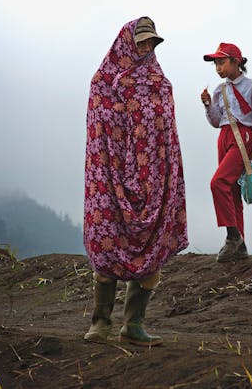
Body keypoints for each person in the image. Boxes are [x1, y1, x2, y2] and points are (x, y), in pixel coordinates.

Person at [83, 17, 188, 346]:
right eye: (141, 41)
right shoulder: (104, 81)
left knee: (151, 246)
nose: (145, 47)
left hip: (152, 178)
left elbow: (168, 133)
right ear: (126, 41)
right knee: (110, 241)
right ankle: (101, 322)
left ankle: (134, 324)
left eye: (151, 43)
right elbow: (99, 126)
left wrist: (163, 173)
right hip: (111, 176)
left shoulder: (160, 82)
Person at [200, 43, 252, 262]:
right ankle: (239, 245)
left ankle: (232, 237)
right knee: (231, 190)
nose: (218, 68)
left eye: (221, 62)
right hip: (224, 135)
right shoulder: (219, 90)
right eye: (215, 64)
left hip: (244, 136)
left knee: (218, 182)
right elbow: (215, 121)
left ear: (236, 61)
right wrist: (208, 106)